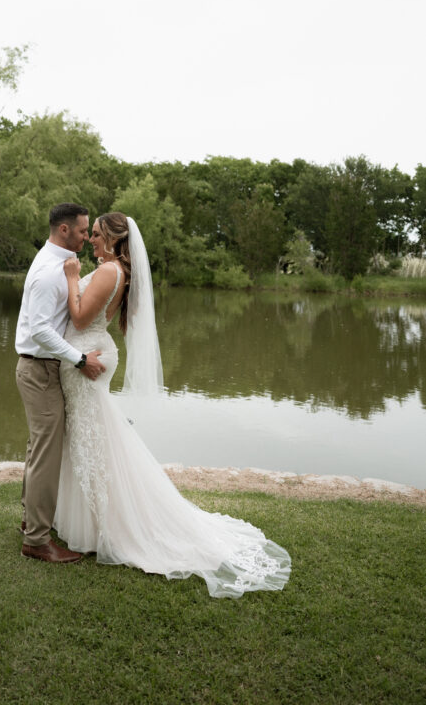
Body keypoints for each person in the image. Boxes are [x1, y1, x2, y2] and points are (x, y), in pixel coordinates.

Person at [53, 212, 291, 598]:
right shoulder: (112, 271)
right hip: (85, 358)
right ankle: (92, 518)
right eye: (91, 234)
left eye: (96, 235)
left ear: (114, 239)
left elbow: (80, 319)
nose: (91, 240)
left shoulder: (110, 272)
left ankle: (109, 524)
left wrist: (69, 278)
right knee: (93, 438)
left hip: (86, 357)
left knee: (94, 438)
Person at [15, 202, 105, 563]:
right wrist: (80, 359)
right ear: (64, 230)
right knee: (46, 455)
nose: (87, 236)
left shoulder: (57, 263)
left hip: (41, 369)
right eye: (84, 230)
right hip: (39, 370)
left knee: (39, 449)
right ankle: (36, 541)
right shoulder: (50, 272)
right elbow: (39, 330)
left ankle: (30, 522)